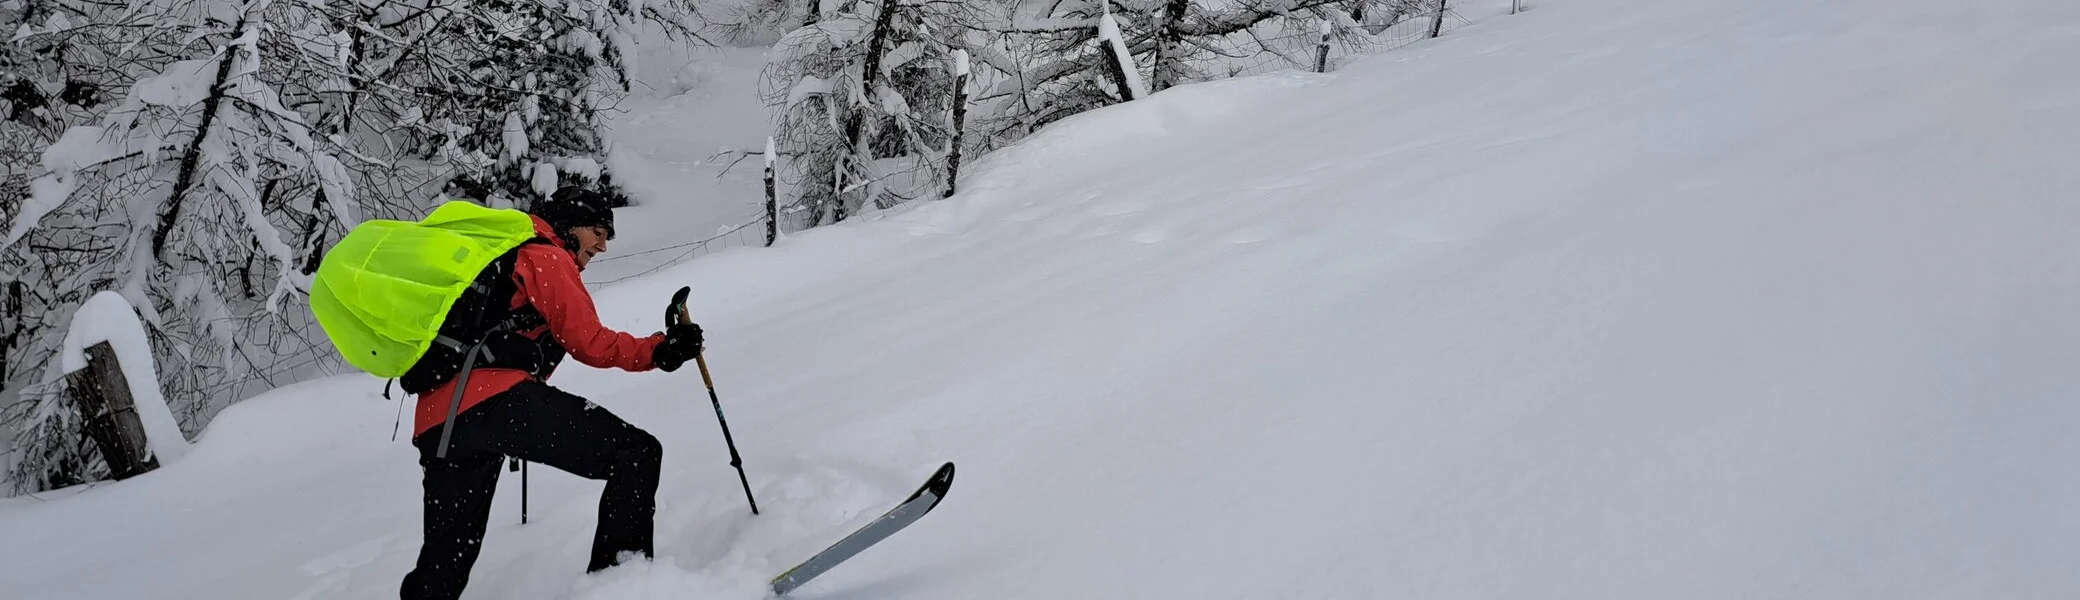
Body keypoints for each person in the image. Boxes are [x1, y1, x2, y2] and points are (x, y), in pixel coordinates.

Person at [399, 186, 706, 600]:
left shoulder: (507, 261)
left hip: (441, 425)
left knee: (446, 560)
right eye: (598, 231)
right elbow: (589, 341)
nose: (603, 245)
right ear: (571, 224)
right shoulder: (545, 254)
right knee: (636, 453)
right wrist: (660, 350)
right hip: (494, 401)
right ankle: (621, 588)